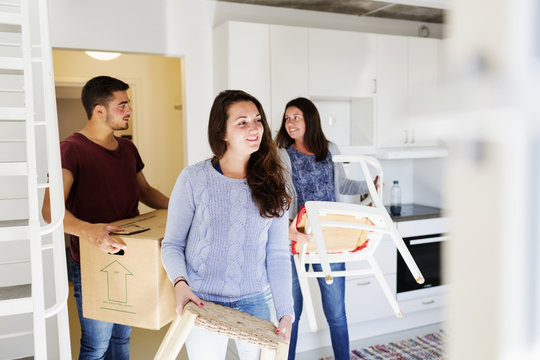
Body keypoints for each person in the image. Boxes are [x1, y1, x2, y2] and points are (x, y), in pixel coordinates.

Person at [42, 75, 169, 360]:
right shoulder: (70, 149)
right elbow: (51, 210)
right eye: (122, 104)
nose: (129, 110)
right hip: (91, 260)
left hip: (130, 255)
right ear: (99, 110)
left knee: (122, 340)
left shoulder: (127, 149)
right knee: (96, 346)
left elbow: (145, 191)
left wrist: (180, 208)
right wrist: (89, 231)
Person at [161, 90, 294, 360]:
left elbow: (278, 254)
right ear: (222, 132)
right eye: (242, 122)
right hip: (202, 300)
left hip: (256, 300)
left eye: (258, 120)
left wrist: (285, 312)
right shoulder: (193, 179)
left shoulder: (274, 182)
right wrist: (180, 284)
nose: (254, 128)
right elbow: (172, 244)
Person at [276, 97, 376, 360]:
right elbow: (275, 198)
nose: (290, 122)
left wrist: (370, 186)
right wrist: (284, 226)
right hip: (295, 242)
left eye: (296, 116)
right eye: (287, 118)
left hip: (331, 243)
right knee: (291, 313)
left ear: (310, 119)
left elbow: (343, 185)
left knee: (336, 312)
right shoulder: (282, 154)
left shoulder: (331, 149)